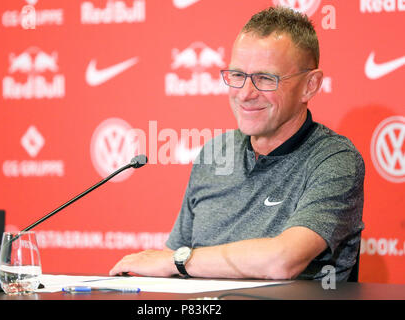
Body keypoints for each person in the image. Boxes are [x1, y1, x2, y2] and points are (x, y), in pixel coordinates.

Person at [110, 6, 365, 281]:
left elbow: (282, 261)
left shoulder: (335, 160)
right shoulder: (214, 153)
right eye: (237, 75)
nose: (245, 94)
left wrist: (180, 260)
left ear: (310, 85)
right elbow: (170, 267)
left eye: (265, 78)